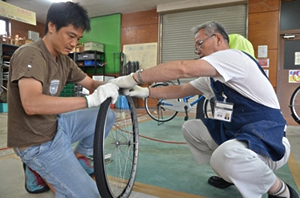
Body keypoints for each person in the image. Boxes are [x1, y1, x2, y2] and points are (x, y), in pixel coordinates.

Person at [110, 21, 299, 198]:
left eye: (200, 44)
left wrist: (134, 78)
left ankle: (280, 190)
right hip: (242, 135)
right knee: (192, 129)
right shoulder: (213, 77)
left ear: (217, 39)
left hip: (269, 141)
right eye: (196, 46)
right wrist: (145, 92)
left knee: (224, 157)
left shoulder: (234, 58)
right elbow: (182, 90)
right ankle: (231, 175)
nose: (197, 50)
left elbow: (183, 69)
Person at [7, 2, 119, 197]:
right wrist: (88, 101)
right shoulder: (31, 54)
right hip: (37, 142)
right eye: (71, 36)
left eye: (78, 38)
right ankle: (39, 166)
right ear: (51, 26)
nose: (74, 44)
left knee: (107, 115)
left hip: (58, 125)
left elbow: (91, 85)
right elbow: (31, 104)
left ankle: (78, 157)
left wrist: (121, 85)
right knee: (90, 195)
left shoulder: (64, 60)